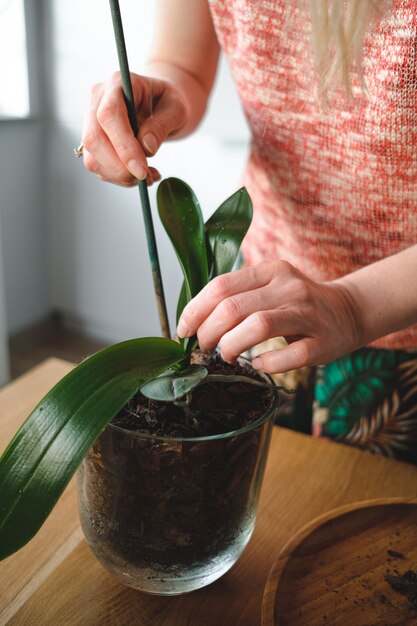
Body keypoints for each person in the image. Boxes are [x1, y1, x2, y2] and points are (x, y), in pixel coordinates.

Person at [82, 0, 417, 464]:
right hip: (265, 307)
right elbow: (183, 64)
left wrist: (353, 305)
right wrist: (162, 95)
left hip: (400, 329)